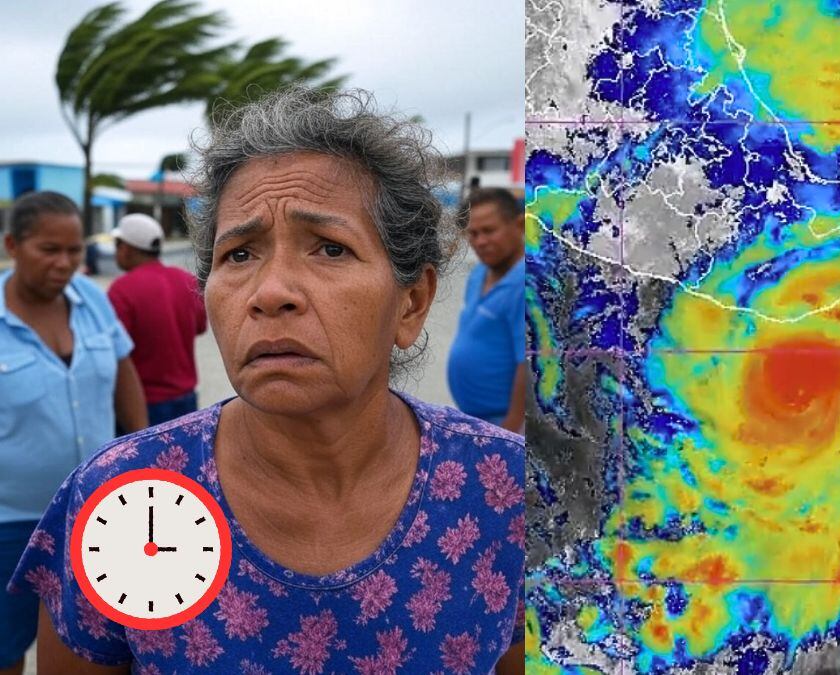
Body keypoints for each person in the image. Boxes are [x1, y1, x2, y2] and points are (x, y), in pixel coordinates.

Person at [8, 89, 524, 674]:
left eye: (330, 248)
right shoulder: (130, 500)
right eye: (238, 254)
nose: (270, 292)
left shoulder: (506, 492)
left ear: (412, 301)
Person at [0, 191, 148, 675]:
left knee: (102, 642)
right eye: (49, 249)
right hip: (12, 524)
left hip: (99, 513)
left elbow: (124, 370)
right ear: (12, 246)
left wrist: (144, 452)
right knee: (7, 646)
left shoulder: (90, 300)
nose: (64, 263)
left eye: (75, 250)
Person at [107, 213, 208, 427]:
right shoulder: (186, 280)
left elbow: (113, 351)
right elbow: (199, 327)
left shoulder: (122, 289)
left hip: (142, 404)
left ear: (126, 248)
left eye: (117, 245)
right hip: (187, 401)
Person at [447, 188, 526, 432]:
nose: (480, 241)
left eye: (489, 231)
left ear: (520, 225)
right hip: (477, 420)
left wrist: (511, 430)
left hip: (507, 425)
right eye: (473, 233)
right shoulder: (479, 273)